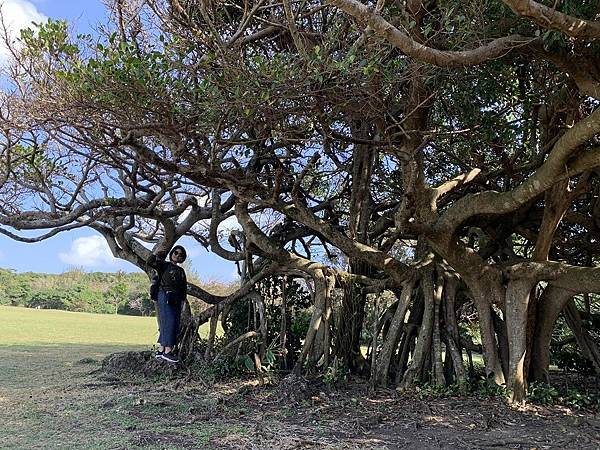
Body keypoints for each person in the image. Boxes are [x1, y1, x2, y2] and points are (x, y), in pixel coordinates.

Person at [147, 245, 188, 363]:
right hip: (164, 295)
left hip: (176, 298)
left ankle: (161, 350)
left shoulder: (181, 271)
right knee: (169, 321)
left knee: (170, 322)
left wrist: (183, 300)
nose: (178, 255)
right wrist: (158, 253)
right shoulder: (164, 265)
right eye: (176, 252)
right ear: (171, 254)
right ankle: (168, 351)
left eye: (181, 254)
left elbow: (183, 288)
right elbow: (150, 262)